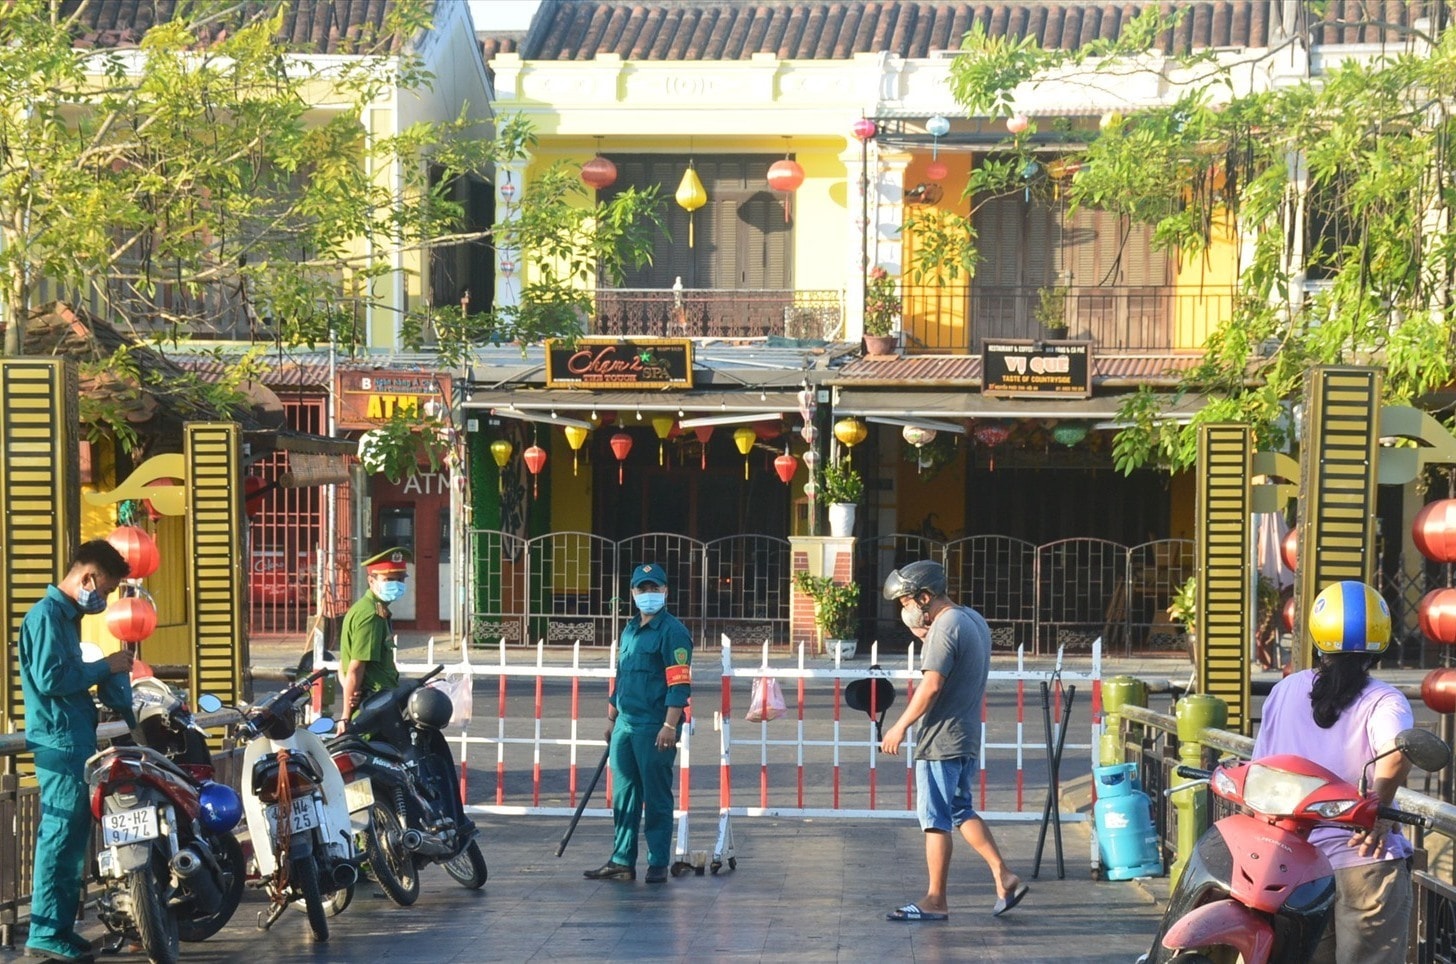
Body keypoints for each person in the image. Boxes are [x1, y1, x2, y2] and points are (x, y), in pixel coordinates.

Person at [1252, 580, 1415, 964]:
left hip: (1295, 865)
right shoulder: (1384, 700)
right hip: (1363, 864)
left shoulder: (1286, 690)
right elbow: (1397, 755)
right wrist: (1377, 813)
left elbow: (1262, 770)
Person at [879, 559, 1027, 923]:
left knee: (935, 819)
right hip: (965, 734)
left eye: (906, 602)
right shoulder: (971, 620)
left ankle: (935, 899)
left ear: (925, 597)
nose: (904, 610)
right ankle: (1004, 876)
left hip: (940, 739)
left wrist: (899, 727)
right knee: (961, 810)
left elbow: (931, 686)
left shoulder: (945, 627)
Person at [20, 540, 136, 964]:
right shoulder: (47, 616)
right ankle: (45, 931)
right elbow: (52, 679)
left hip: (72, 740)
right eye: (104, 589)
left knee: (70, 844)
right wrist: (105, 666)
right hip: (59, 743)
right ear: (87, 577)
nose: (102, 599)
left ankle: (59, 930)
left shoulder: (63, 620)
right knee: (59, 840)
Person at [584, 562, 692, 884]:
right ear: (632, 593)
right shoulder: (629, 629)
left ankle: (657, 862)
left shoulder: (673, 632)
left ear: (665, 592)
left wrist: (670, 726)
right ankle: (622, 860)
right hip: (626, 724)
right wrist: (611, 718)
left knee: (656, 796)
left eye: (654, 588)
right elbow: (623, 676)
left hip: (655, 727)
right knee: (624, 796)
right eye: (642, 589)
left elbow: (679, 684)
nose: (648, 594)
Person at [339, 547, 411, 720]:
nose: (397, 584)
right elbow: (355, 667)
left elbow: (343, 662)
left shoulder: (370, 609)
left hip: (378, 703)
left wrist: (347, 686)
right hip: (374, 708)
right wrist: (345, 716)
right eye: (389, 579)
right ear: (371, 581)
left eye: (400, 579)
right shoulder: (371, 615)